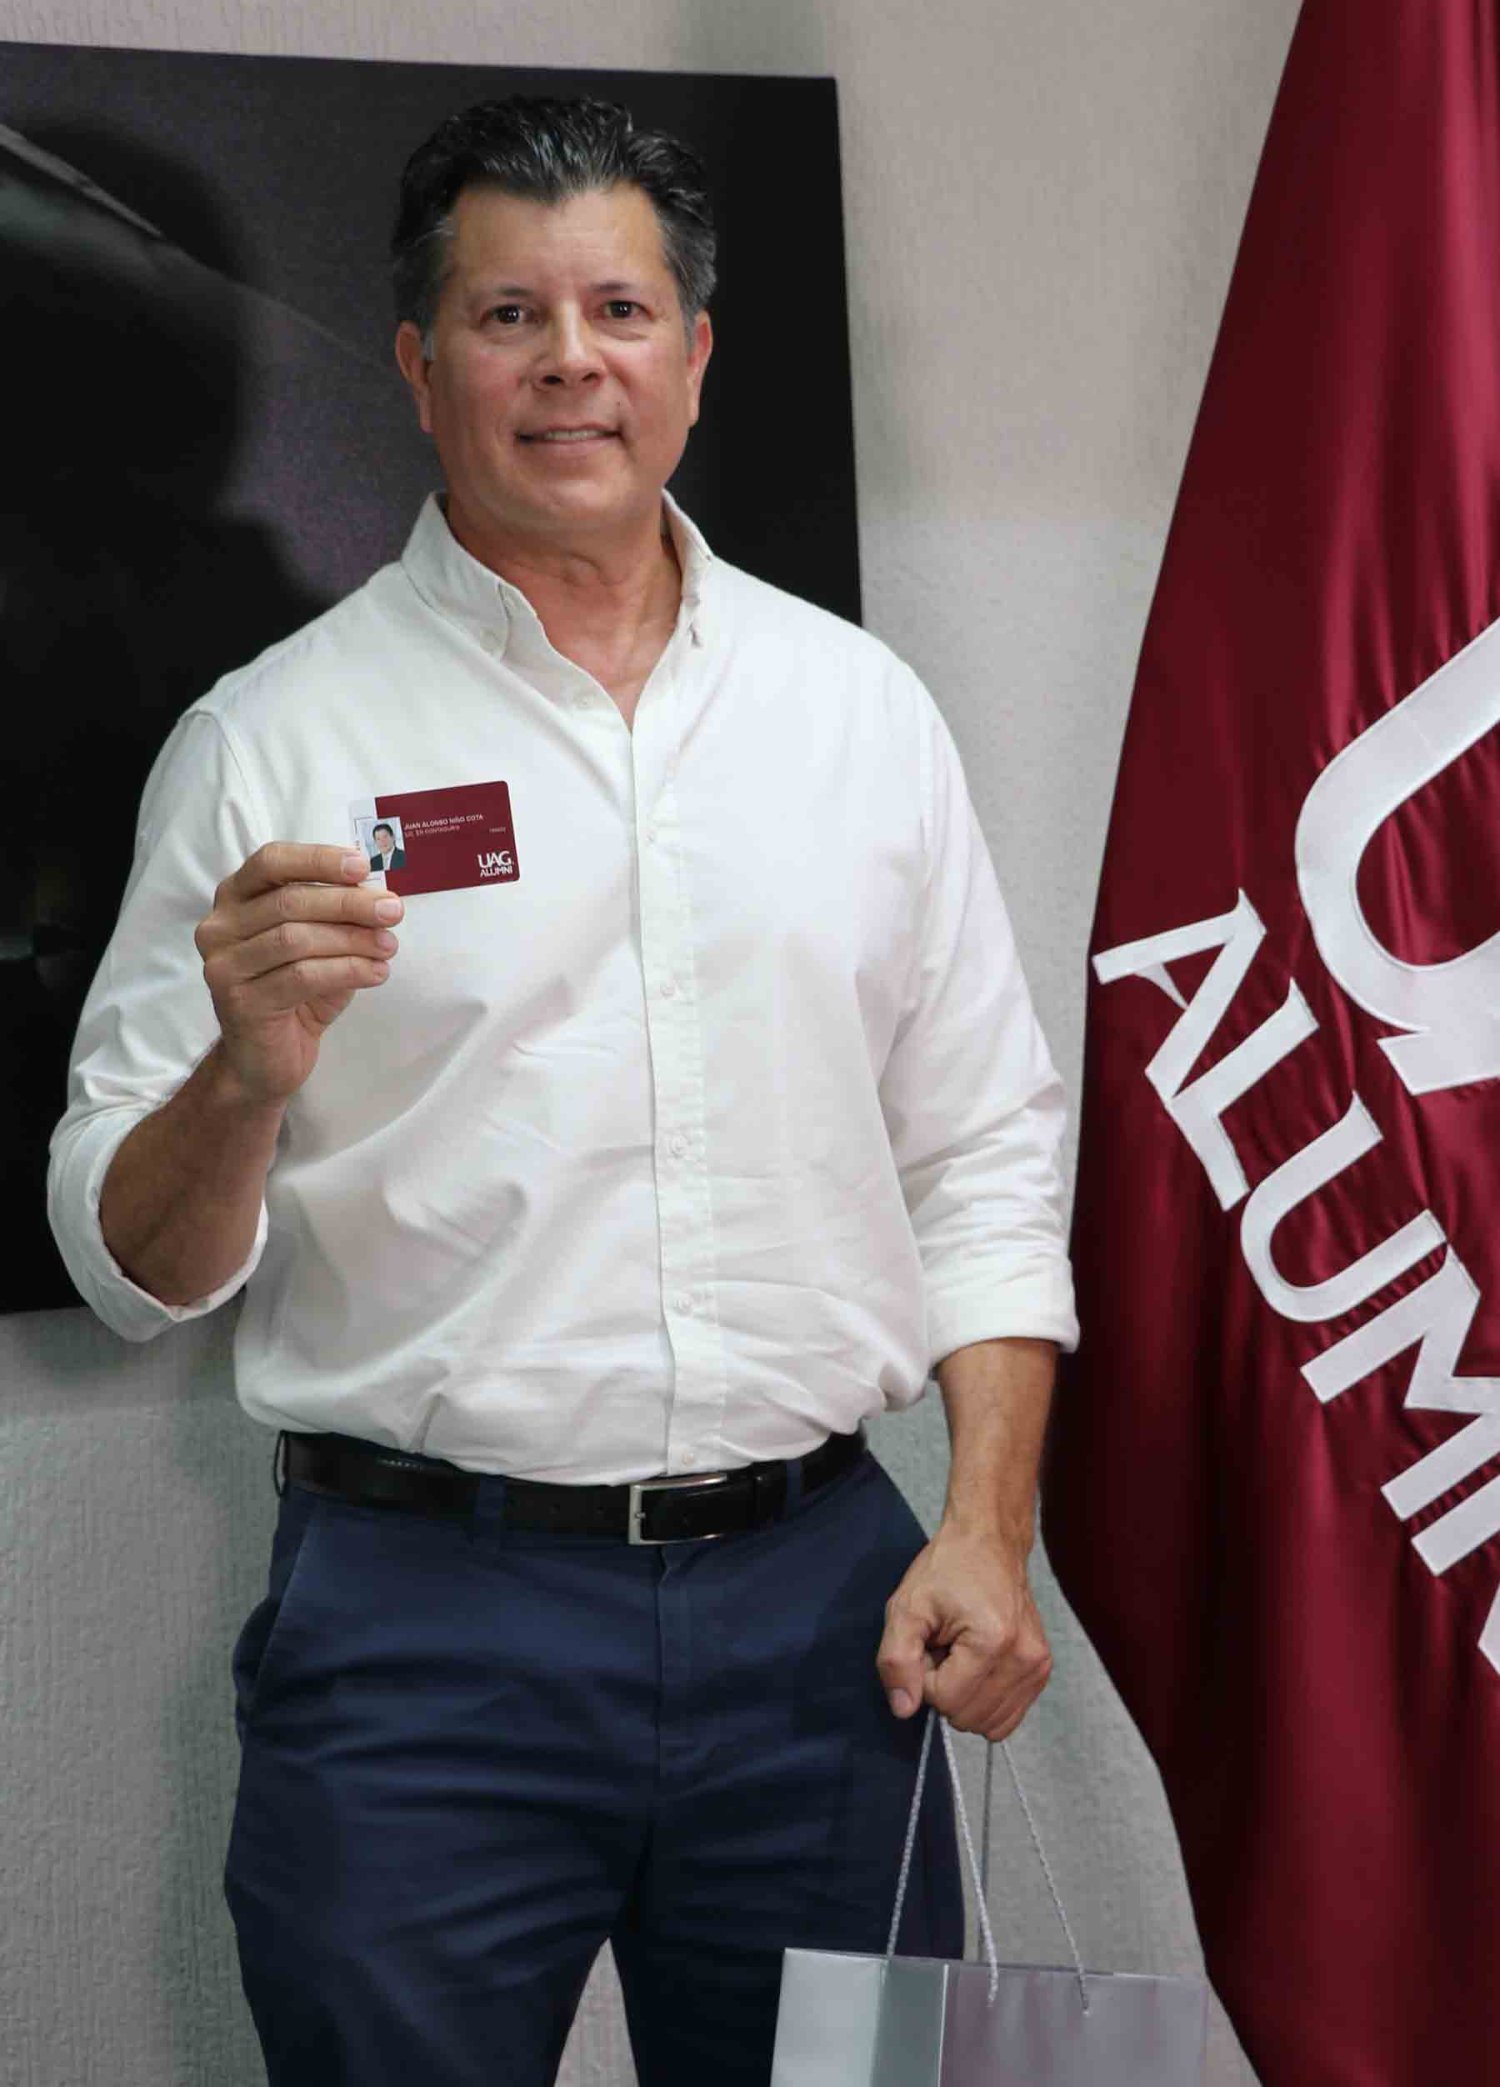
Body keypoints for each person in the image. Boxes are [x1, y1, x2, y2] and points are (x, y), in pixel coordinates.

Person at [47, 96, 1079, 2087]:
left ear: (695, 354)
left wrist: (986, 1522)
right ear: (420, 365)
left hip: (824, 1621)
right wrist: (243, 1081)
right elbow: (128, 1267)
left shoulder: (857, 715)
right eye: (508, 315)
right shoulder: (270, 744)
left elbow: (982, 1146)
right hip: (426, 1639)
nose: (570, 363)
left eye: (619, 309)